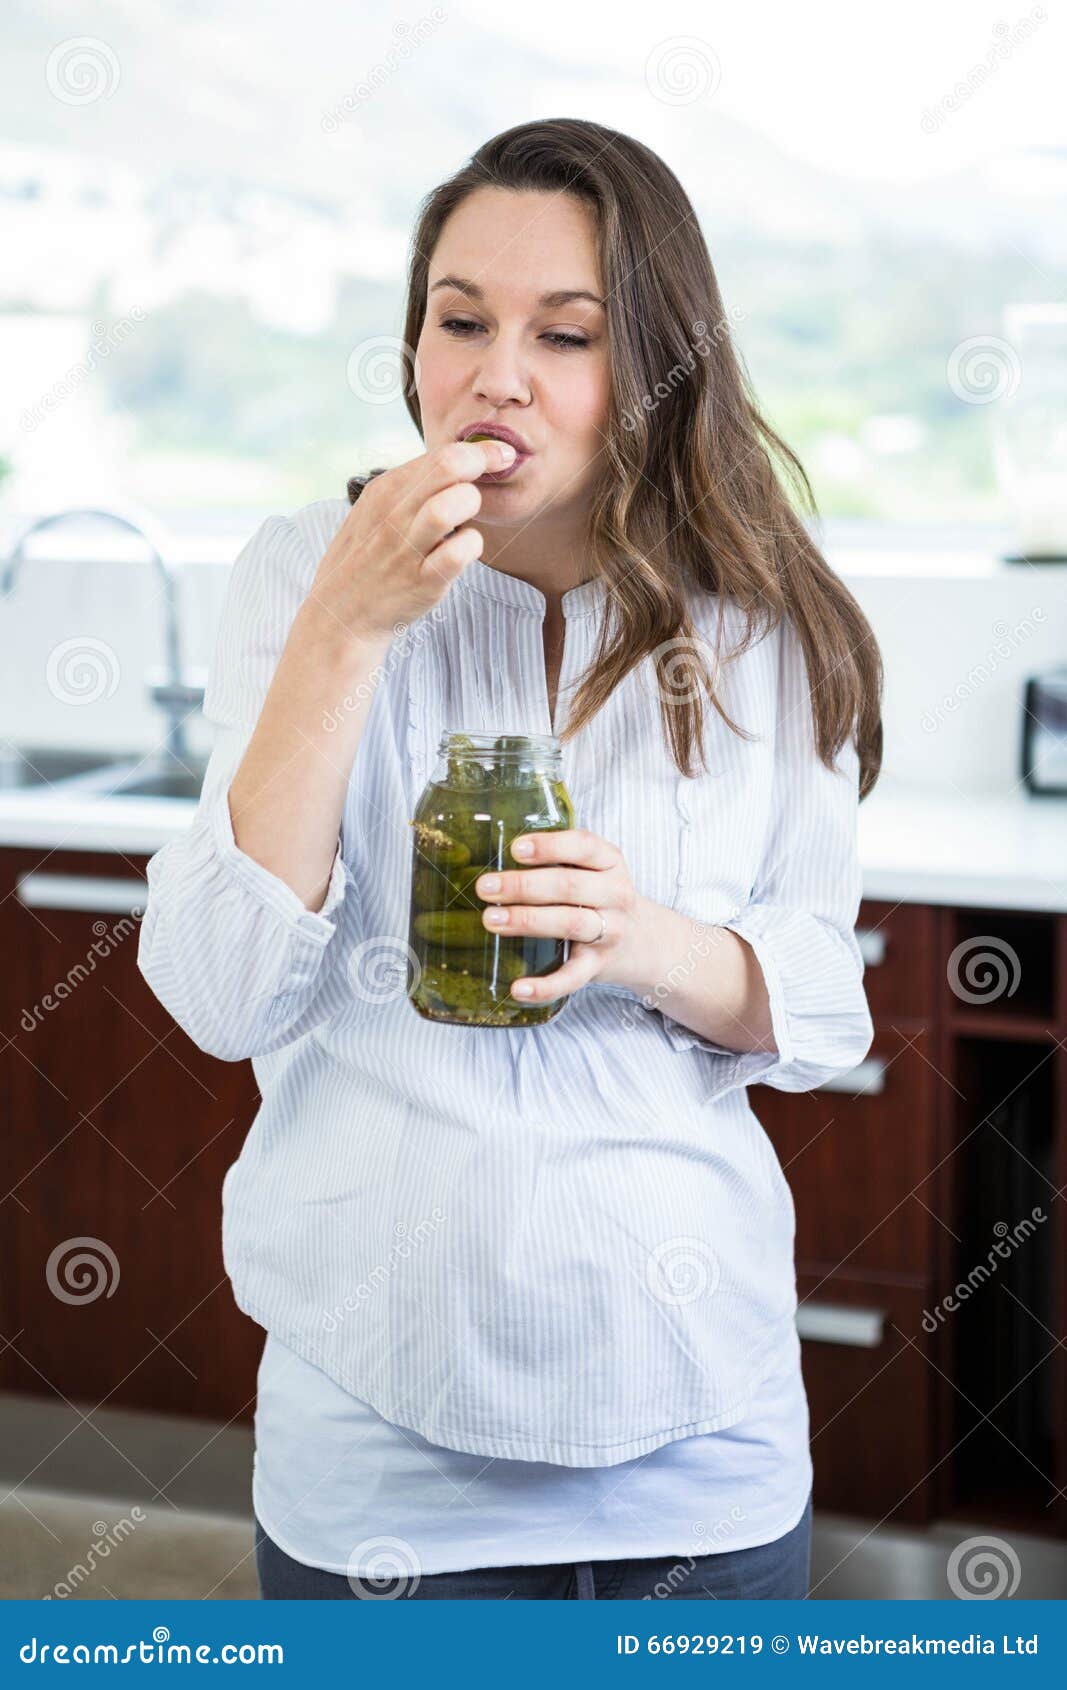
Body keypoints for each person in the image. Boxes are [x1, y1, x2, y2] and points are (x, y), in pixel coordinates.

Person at [138, 118, 882, 1601]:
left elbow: (817, 1011)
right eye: (460, 319)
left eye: (568, 333)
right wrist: (346, 629)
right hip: (383, 1451)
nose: (498, 372)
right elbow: (221, 991)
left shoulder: (760, 616)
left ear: (658, 366)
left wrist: (645, 939)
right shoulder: (305, 569)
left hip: (701, 1449)